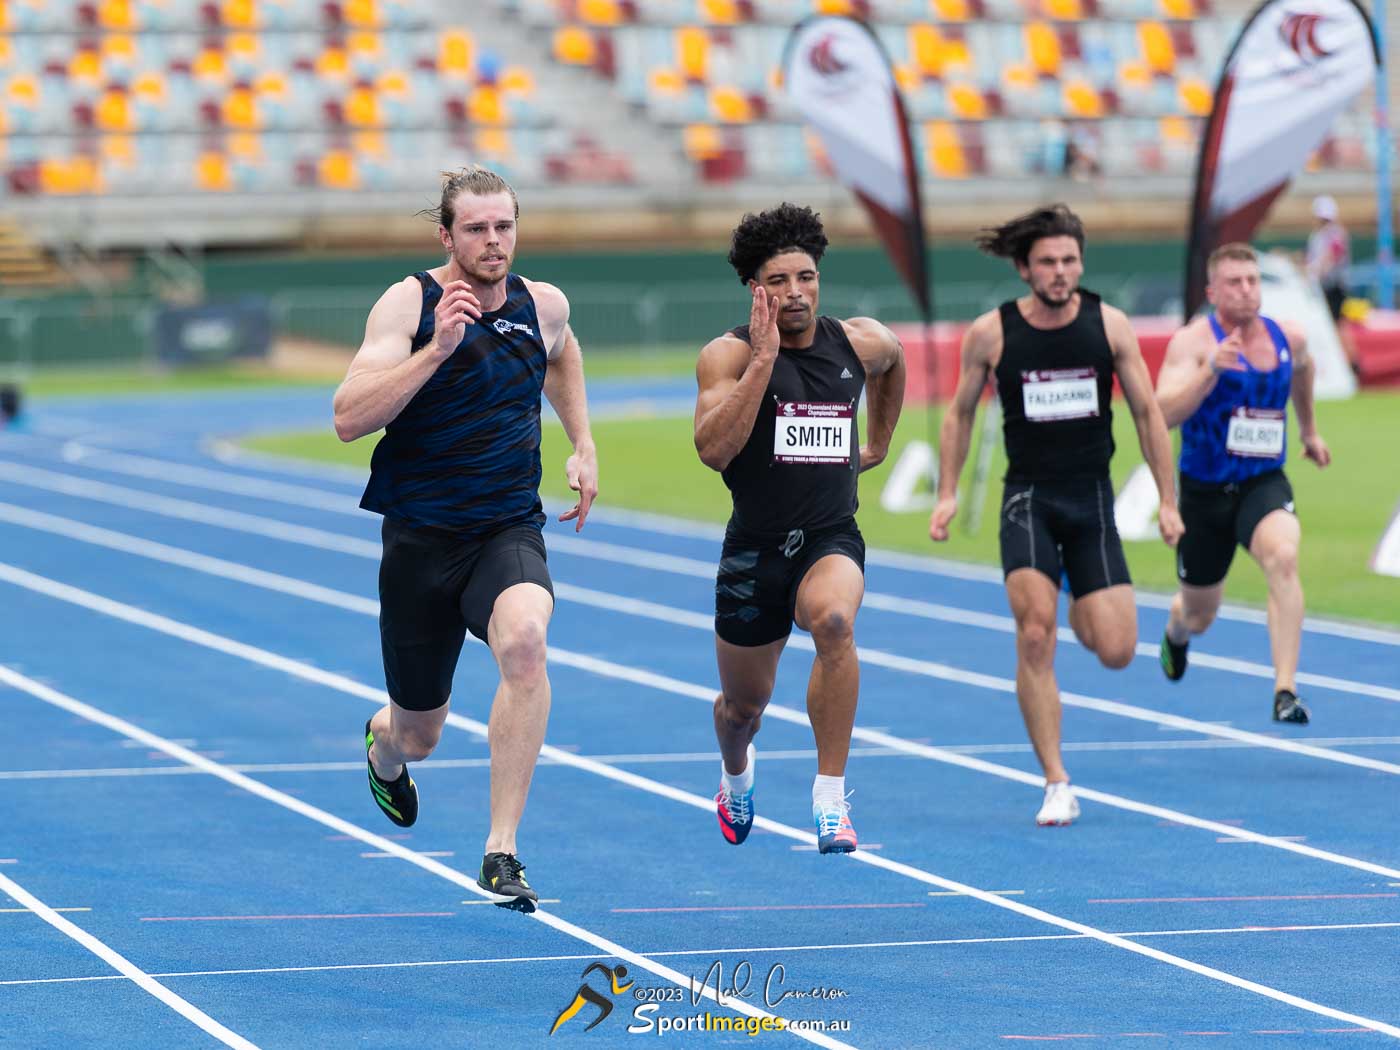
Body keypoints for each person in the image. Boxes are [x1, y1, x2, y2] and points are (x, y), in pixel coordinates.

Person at [332, 165, 598, 912]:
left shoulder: (540, 304)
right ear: (446, 235)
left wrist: (582, 442)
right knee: (419, 735)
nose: (492, 241)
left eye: (504, 226)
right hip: (420, 538)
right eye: (476, 228)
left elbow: (564, 351)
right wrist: (438, 350)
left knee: (525, 644)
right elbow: (349, 417)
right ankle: (383, 746)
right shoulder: (409, 303)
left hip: (505, 525)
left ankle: (501, 849)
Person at [928, 204, 1183, 826]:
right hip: (1029, 500)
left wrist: (1168, 500)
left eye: (1070, 260)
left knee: (1118, 648)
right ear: (1025, 269)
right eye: (1048, 261)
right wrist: (947, 491)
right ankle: (1056, 781)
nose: (1061, 271)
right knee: (1035, 633)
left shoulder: (1110, 325)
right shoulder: (992, 333)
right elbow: (959, 413)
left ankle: (1073, 589)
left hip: (1091, 501)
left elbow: (1149, 414)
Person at [694, 203, 905, 854]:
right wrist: (761, 365)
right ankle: (735, 772)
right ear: (754, 289)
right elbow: (713, 449)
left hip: (829, 536)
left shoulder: (856, 341)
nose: (795, 293)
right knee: (742, 710)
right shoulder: (725, 356)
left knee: (835, 623)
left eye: (805, 277)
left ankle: (830, 796)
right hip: (755, 549)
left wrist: (879, 440)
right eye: (778, 281)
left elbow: (892, 364)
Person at [1154, 242, 1330, 724]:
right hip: (1205, 492)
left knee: (1284, 555)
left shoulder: (1286, 338)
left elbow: (1305, 369)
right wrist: (1210, 372)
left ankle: (1285, 690)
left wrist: (1309, 430)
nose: (1247, 290)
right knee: (1200, 615)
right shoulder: (1192, 344)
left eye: (1252, 280)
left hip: (1262, 482)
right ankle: (1176, 627)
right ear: (1213, 290)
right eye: (1235, 282)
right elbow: (1160, 415)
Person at [1305, 195, 1359, 375]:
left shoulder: (1335, 234)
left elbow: (1330, 258)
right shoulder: (1320, 235)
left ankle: (1352, 364)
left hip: (1333, 286)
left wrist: (1316, 270)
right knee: (1336, 324)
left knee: (1337, 324)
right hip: (1326, 286)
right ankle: (1349, 364)